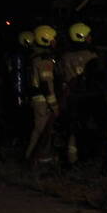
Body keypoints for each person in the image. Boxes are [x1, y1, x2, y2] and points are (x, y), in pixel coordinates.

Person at [58, 22, 101, 166]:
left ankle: (71, 158)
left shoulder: (65, 56)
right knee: (85, 126)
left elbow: (61, 75)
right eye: (88, 36)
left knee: (72, 127)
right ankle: (83, 157)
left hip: (71, 97)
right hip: (87, 96)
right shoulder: (91, 56)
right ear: (82, 36)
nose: (90, 38)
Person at [25, 24, 59, 168]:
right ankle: (33, 160)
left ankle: (36, 158)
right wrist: (54, 105)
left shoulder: (35, 57)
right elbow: (46, 85)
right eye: (53, 39)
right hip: (42, 101)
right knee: (41, 130)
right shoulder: (45, 61)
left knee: (39, 130)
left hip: (37, 99)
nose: (55, 41)